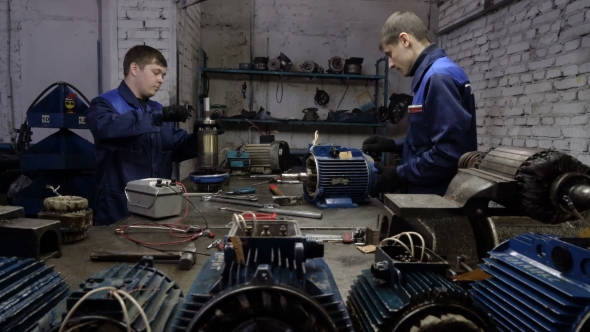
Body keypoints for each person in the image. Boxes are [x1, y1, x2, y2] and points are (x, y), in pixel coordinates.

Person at [363, 11, 476, 197]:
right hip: (430, 193)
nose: (390, 64)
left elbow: (448, 154)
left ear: (405, 40)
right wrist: (394, 145)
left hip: (437, 197)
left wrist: (399, 174)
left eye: (390, 54)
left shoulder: (438, 78)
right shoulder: (433, 74)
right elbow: (431, 139)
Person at [86, 45, 200, 226]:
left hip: (158, 208)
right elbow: (107, 129)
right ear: (134, 69)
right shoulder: (105, 104)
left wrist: (201, 135)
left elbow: (178, 148)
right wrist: (158, 117)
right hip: (118, 210)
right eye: (156, 72)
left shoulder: (156, 110)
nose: (160, 80)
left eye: (163, 75)